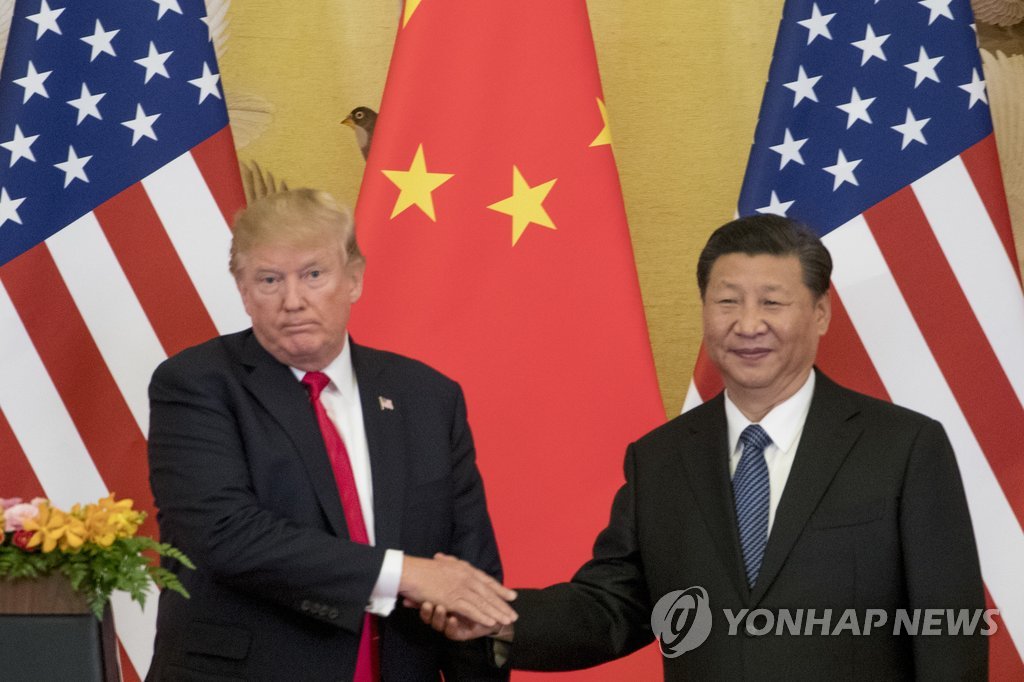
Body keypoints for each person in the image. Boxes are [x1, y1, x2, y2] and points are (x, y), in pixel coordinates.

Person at [424, 214, 987, 679]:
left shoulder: (904, 448)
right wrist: (498, 616)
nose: (748, 324)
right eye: (727, 302)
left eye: (772, 303)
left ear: (820, 314)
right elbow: (612, 607)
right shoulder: (661, 459)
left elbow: (947, 634)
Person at [146, 188, 515, 681]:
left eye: (313, 275)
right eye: (270, 280)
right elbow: (225, 535)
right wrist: (404, 573)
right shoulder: (195, 384)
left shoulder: (428, 396)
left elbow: (468, 572)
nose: (293, 301)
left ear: (354, 279)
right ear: (244, 291)